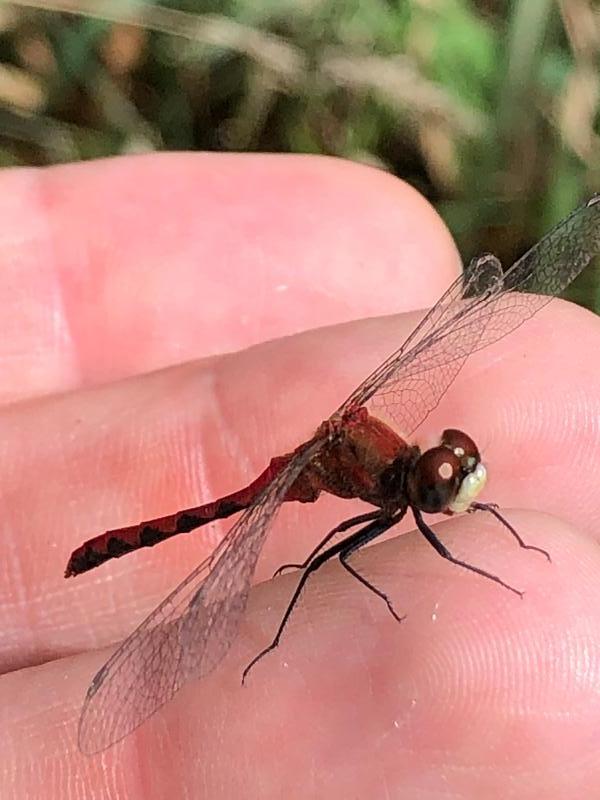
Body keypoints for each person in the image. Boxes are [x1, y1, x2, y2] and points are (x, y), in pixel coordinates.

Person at [3, 152, 600, 797]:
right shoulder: (391, 486)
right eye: (443, 486)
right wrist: (489, 582)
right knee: (320, 561)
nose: (451, 488)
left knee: (326, 557)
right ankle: (103, 557)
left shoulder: (402, 473)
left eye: (449, 479)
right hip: (280, 478)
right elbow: (339, 556)